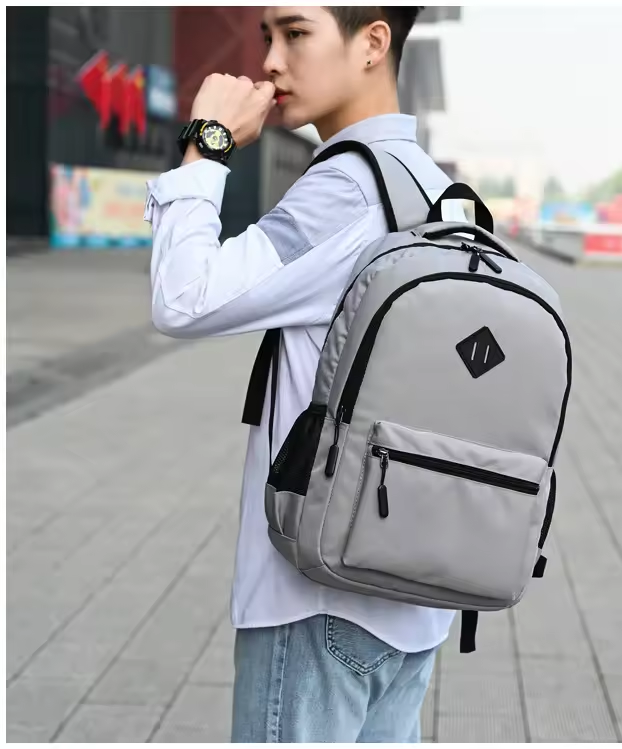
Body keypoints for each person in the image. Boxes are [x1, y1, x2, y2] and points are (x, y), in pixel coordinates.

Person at [144, 6, 463, 742]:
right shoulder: (436, 190)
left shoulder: (346, 190)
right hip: (413, 598)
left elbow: (183, 297)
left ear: (373, 42)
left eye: (296, 34)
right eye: (267, 37)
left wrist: (207, 143)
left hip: (316, 600)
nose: (270, 61)